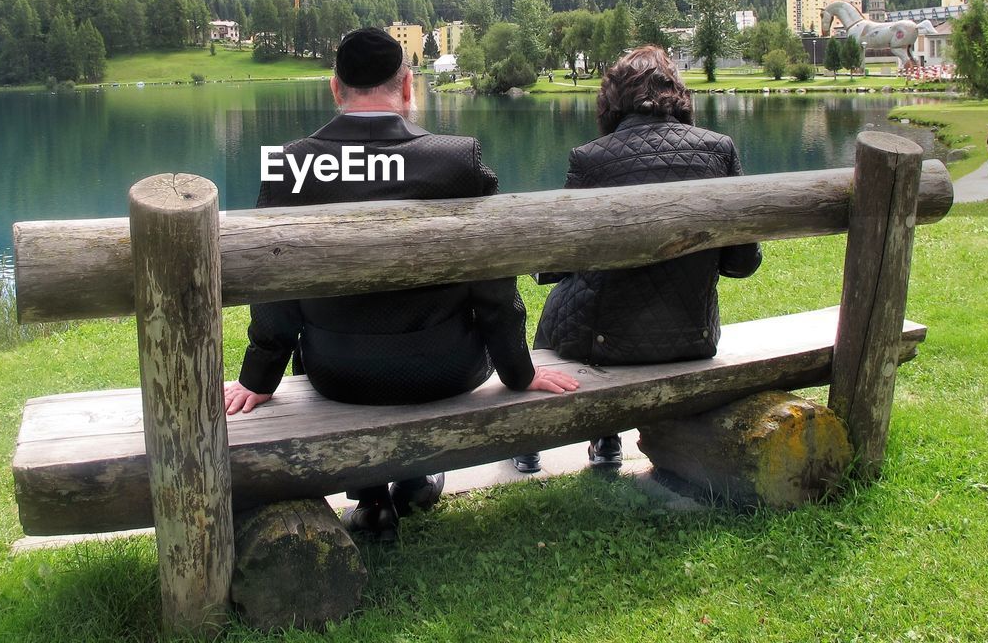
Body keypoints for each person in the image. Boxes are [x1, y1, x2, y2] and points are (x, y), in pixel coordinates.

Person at [224, 27, 579, 541]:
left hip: (338, 374)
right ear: (408, 86)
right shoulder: (458, 160)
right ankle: (415, 479)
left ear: (335, 89)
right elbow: (494, 289)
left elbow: (276, 293)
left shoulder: (290, 166)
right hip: (447, 369)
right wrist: (519, 371)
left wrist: (257, 380)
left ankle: (371, 500)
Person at [513, 45, 761, 474]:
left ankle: (540, 439)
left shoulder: (590, 159)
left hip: (605, 344)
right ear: (677, 94)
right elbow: (743, 263)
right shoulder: (719, 149)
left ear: (611, 99)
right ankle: (604, 441)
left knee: (560, 308)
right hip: (693, 337)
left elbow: (556, 264)